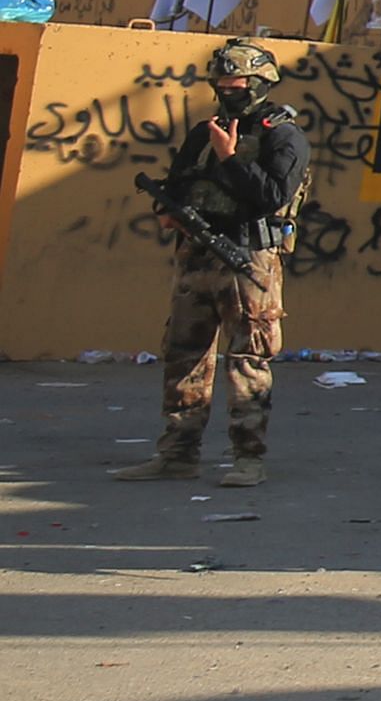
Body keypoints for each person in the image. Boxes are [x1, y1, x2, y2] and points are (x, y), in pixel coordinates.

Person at [117, 37, 308, 483]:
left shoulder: (283, 135)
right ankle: (177, 454)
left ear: (260, 84)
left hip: (248, 256)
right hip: (197, 257)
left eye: (237, 84)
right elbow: (182, 181)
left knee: (248, 359)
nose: (227, 91)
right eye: (221, 84)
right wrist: (167, 209)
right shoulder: (207, 131)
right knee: (185, 354)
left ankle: (248, 458)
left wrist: (230, 157)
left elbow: (272, 195)